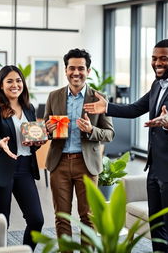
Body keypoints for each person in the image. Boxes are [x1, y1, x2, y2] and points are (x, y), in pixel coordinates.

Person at [84, 39, 168, 253]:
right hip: (155, 168)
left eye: (163, 58)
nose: (157, 63)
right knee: (157, 225)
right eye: (154, 58)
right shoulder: (158, 84)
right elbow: (135, 108)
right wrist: (107, 107)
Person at [44, 48, 114, 243]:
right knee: (61, 217)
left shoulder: (99, 98)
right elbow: (45, 132)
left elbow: (109, 134)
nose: (76, 73)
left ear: (88, 71)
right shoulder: (54, 96)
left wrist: (91, 130)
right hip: (59, 164)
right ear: (65, 70)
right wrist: (47, 130)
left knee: (88, 217)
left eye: (81, 68)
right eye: (72, 68)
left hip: (87, 165)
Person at [0, 65, 45, 251]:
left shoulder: (29, 108)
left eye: (18, 80)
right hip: (1, 168)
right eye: (10, 81)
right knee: (2, 221)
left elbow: (31, 141)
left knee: (37, 219)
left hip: (24, 169)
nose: (15, 85)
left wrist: (42, 138)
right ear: (1, 85)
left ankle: (26, 250)